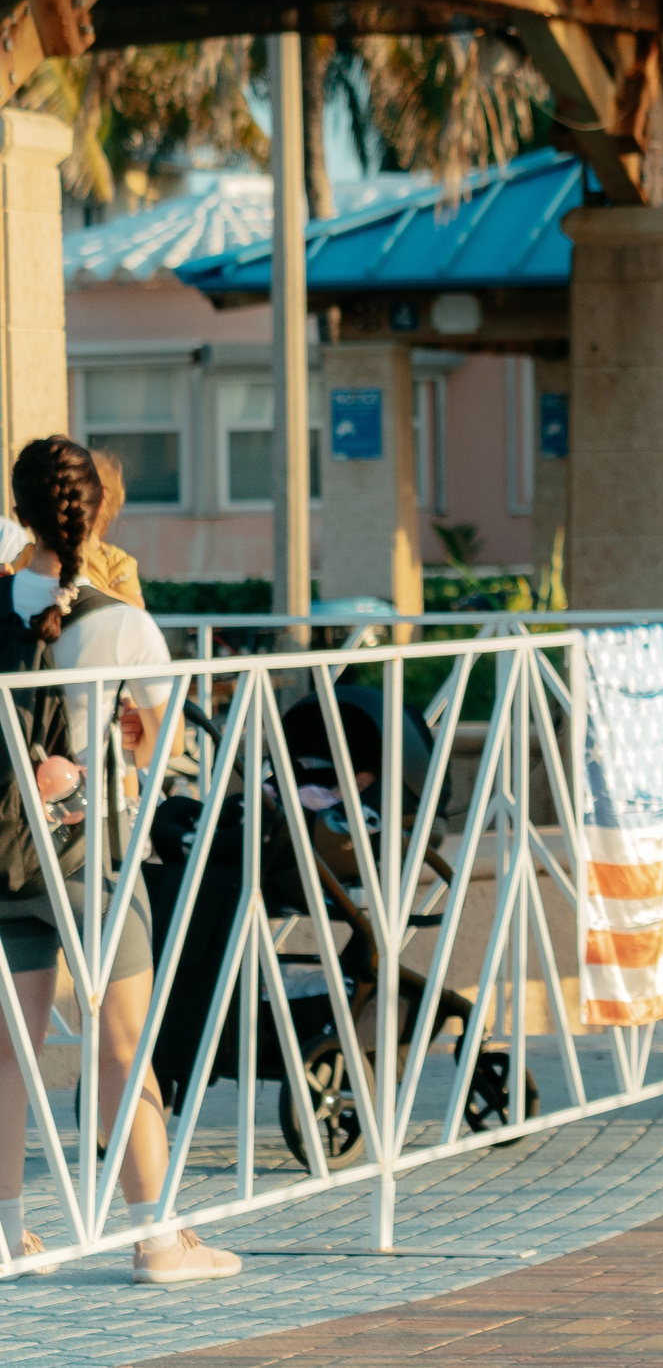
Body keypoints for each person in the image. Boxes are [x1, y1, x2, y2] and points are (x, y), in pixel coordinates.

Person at [0, 436, 238, 1283]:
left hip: (4, 857)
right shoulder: (122, 622)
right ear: (96, 512)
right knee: (124, 1045)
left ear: (19, 512)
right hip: (90, 857)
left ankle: (7, 1234)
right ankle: (157, 1239)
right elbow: (164, 749)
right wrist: (125, 740)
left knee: (9, 1051)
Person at [84, 450, 147, 609]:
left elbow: (136, 607)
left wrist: (92, 592)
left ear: (101, 501)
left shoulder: (115, 562)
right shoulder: (35, 553)